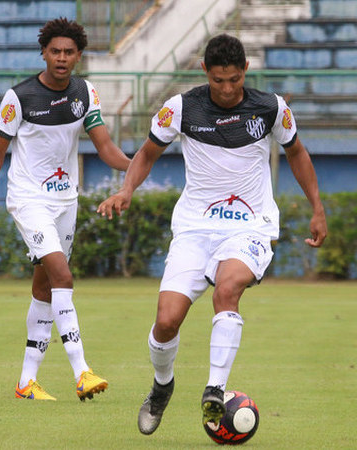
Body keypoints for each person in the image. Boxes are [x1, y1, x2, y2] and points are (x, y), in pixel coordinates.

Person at [97, 34, 327, 433]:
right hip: (194, 228)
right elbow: (147, 154)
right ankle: (162, 388)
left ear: (246, 73)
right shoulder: (181, 108)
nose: (226, 88)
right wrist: (126, 189)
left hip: (249, 226)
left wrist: (317, 208)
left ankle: (214, 392)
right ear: (204, 71)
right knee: (167, 322)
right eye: (219, 80)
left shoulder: (271, 108)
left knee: (227, 289)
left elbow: (297, 153)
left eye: (234, 80)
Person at [0, 18, 131, 401]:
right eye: (54, 51)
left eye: (68, 52)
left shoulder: (86, 94)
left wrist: (139, 164)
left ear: (79, 56)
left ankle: (26, 381)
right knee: (63, 276)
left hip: (65, 202)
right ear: (44, 53)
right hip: (29, 200)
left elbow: (106, 149)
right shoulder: (19, 97)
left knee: (44, 287)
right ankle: (82, 371)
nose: (61, 58)